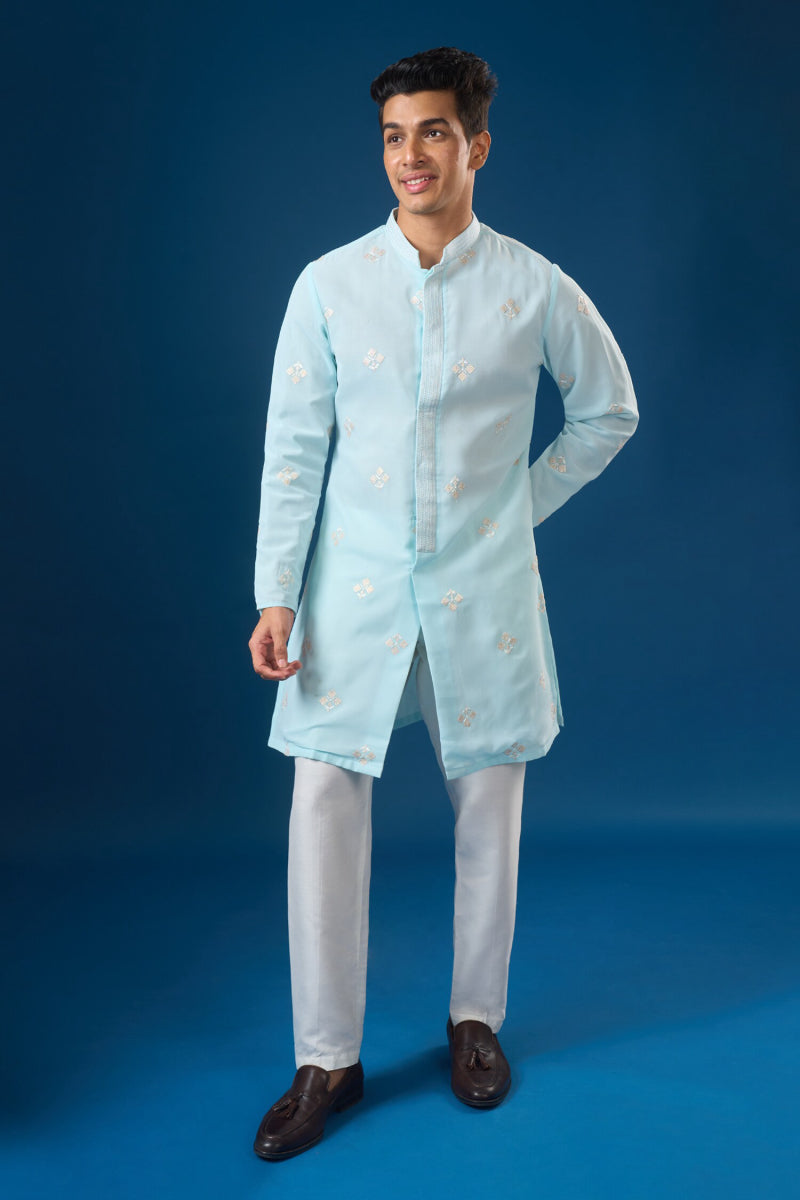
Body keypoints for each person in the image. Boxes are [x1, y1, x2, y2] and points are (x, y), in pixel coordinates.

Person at [248, 46, 638, 1160]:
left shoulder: (532, 284)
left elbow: (608, 410)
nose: (409, 155)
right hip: (350, 594)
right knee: (323, 807)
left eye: (432, 132)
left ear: (476, 145)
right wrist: (276, 593)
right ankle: (326, 1058)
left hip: (485, 594)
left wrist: (515, 510)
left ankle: (476, 1022)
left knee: (489, 810)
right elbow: (294, 449)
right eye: (392, 135)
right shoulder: (329, 285)